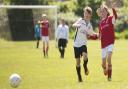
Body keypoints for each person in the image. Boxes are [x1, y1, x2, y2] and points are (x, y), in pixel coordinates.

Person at [72, 6, 98, 82]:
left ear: (90, 15)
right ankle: (79, 77)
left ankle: (85, 66)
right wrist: (77, 25)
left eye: (87, 13)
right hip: (76, 44)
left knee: (85, 57)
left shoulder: (90, 25)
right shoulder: (80, 20)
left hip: (83, 44)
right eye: (85, 13)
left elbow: (91, 33)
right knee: (77, 62)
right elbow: (73, 25)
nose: (86, 14)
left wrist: (97, 34)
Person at [98, 4, 117, 81]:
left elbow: (115, 16)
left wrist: (113, 8)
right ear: (101, 13)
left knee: (109, 58)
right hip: (103, 45)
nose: (103, 12)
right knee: (103, 64)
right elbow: (100, 33)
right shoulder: (100, 23)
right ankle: (105, 68)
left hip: (110, 42)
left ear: (107, 12)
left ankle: (109, 76)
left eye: (104, 11)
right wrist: (98, 36)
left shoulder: (110, 18)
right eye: (102, 11)